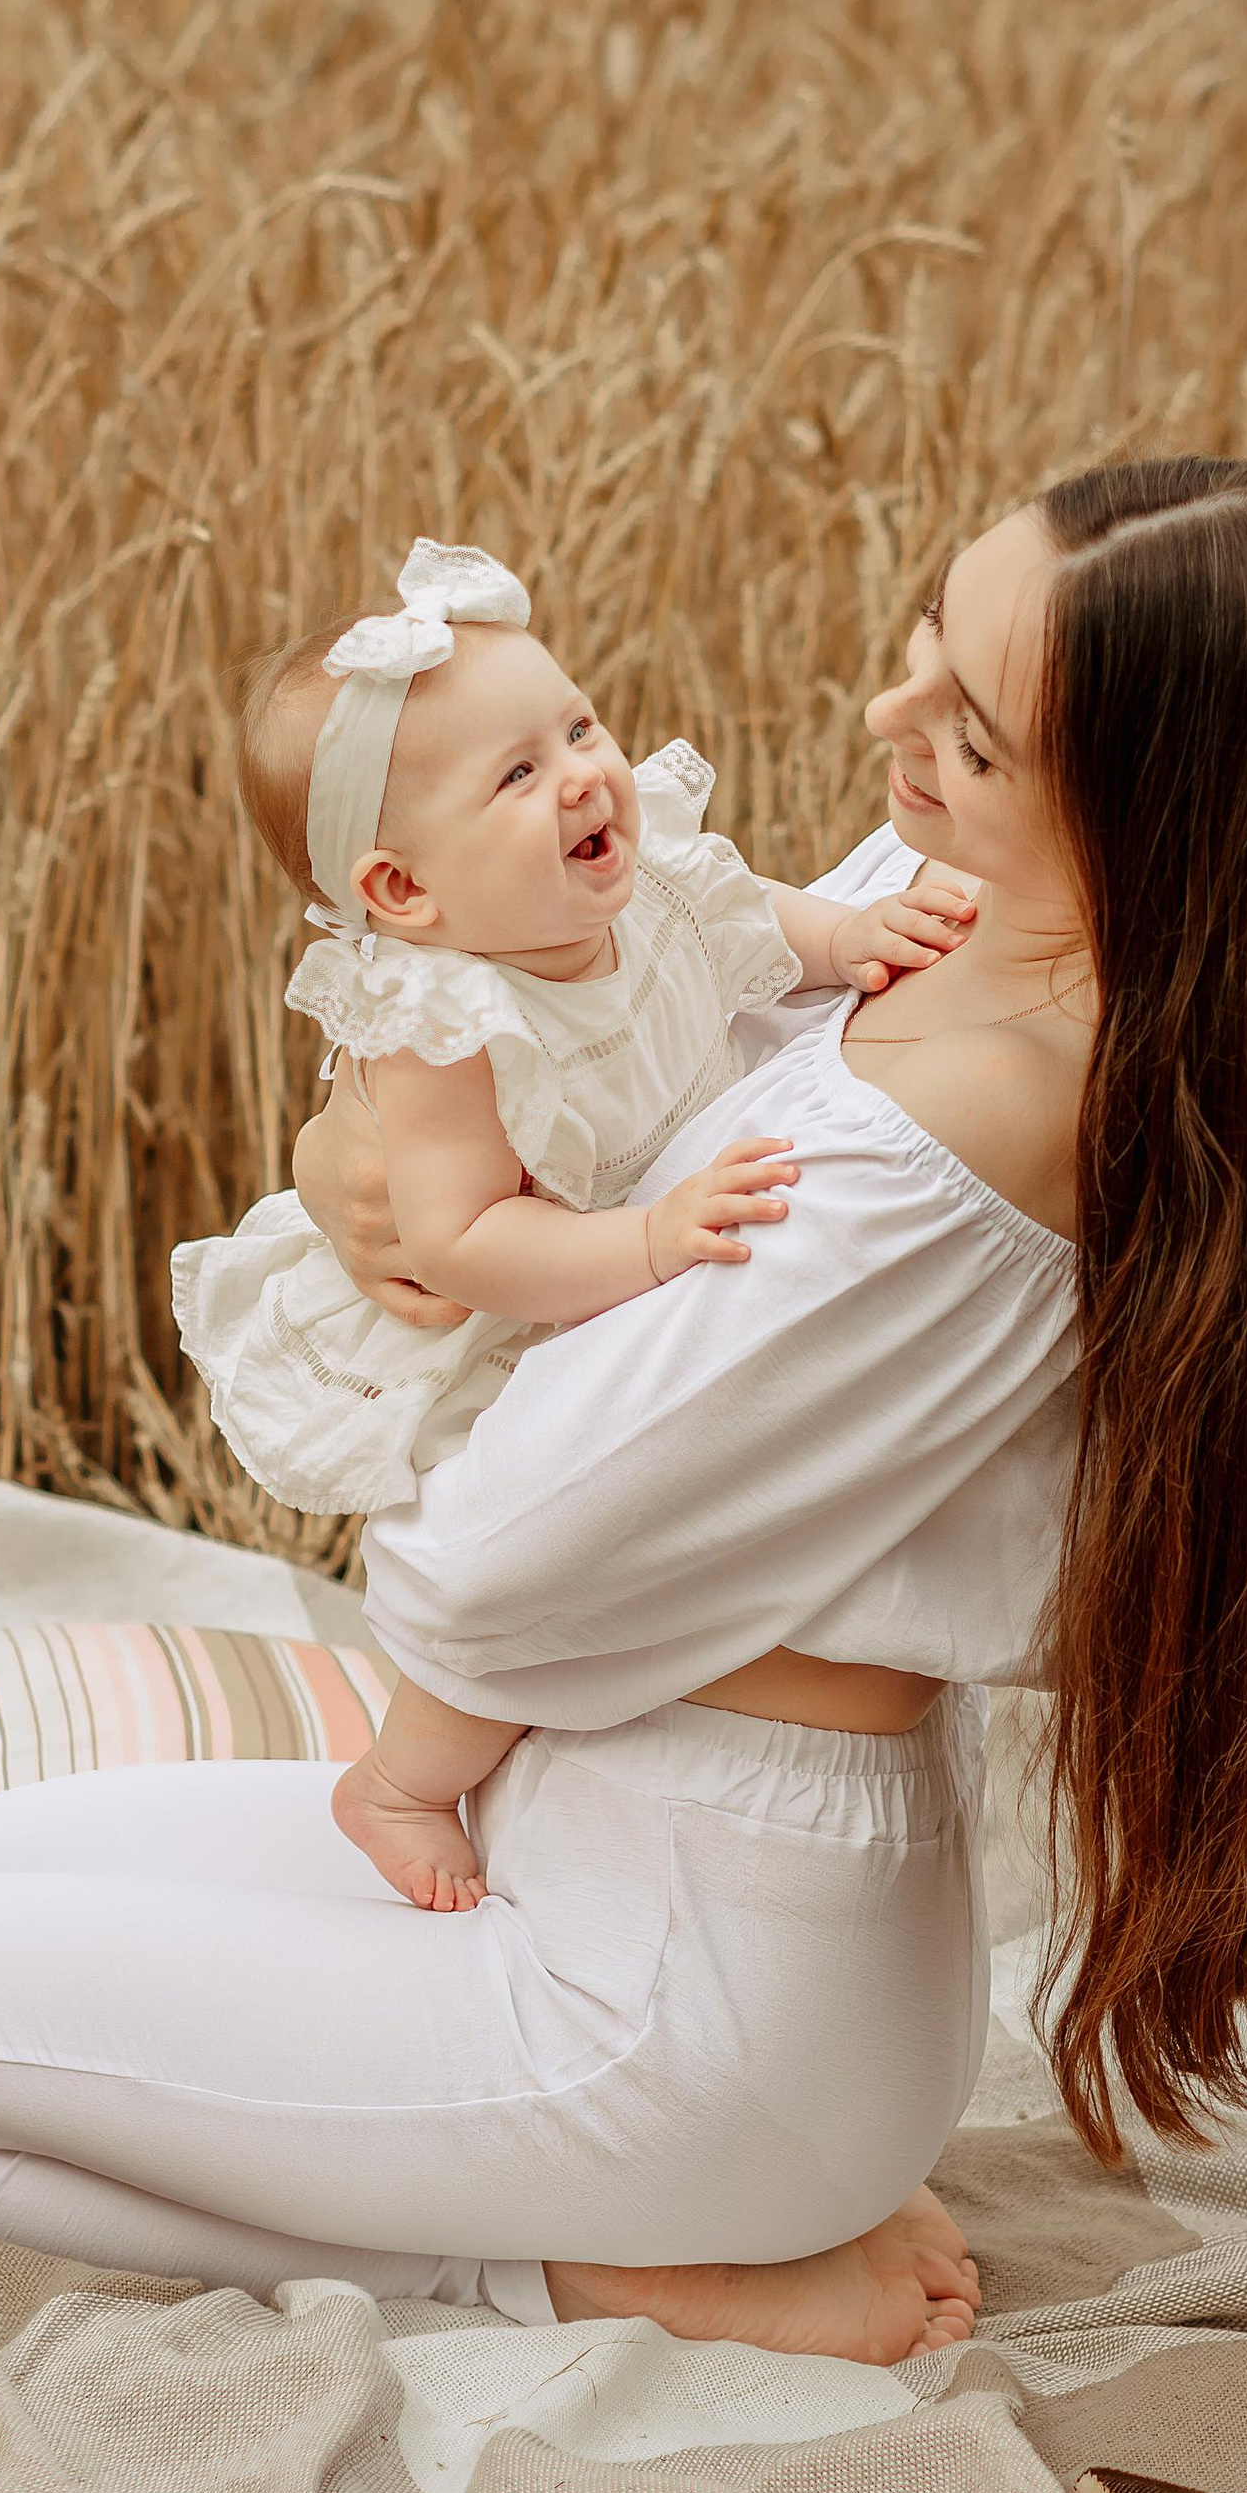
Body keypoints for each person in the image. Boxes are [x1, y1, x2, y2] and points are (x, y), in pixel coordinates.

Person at [0, 457, 1247, 2370]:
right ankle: (677, 2197)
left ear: (1147, 810)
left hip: (688, 1985)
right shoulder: (954, 900)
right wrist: (362, 1177)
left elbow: (492, 1572)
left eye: (966, 733)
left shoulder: (966, 1132)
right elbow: (591, 1074)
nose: (893, 723)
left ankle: (592, 2272)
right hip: (591, 1839)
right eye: (925, 651)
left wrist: (478, 1273)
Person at [171, 533, 973, 1911]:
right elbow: (464, 1242)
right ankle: (404, 1780)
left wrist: (852, 941)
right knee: (520, 1586)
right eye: (518, 775)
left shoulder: (643, 881)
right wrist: (651, 1245)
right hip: (501, 1320)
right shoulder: (449, 1025)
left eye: (578, 726)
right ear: (403, 895)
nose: (587, 774)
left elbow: (749, 928)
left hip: (591, 1267)